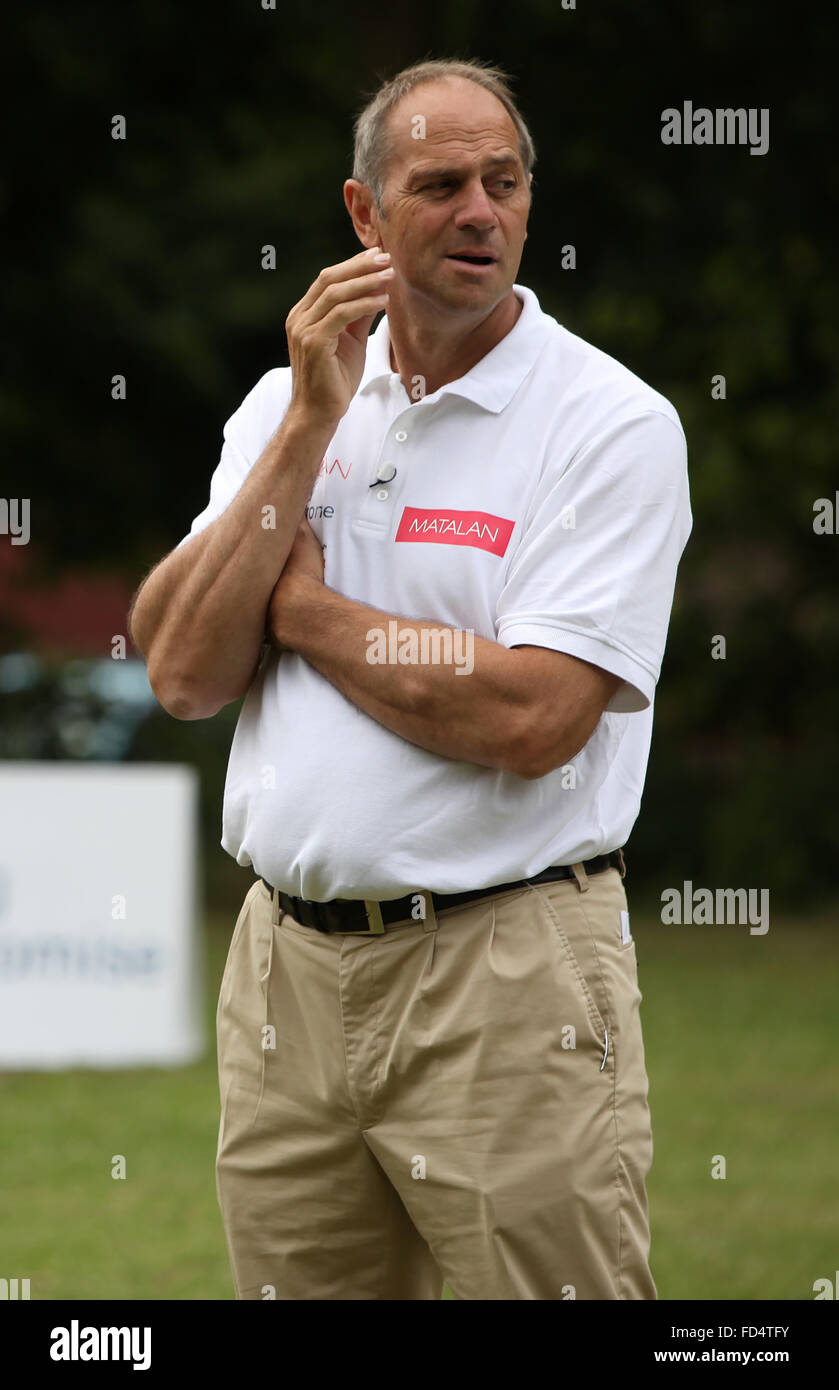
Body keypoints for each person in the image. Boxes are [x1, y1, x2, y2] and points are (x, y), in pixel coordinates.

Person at [128, 57, 692, 1301]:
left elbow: (532, 713)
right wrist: (301, 433)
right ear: (362, 214)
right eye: (439, 184)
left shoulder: (607, 424)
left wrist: (312, 613)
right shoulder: (285, 404)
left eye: (503, 182)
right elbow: (179, 669)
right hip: (283, 975)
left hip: (505, 974)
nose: (479, 211)